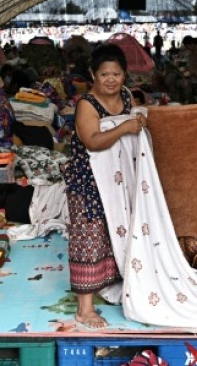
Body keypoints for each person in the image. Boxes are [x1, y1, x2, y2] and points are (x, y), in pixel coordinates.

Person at [64, 44, 146, 329]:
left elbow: (134, 121)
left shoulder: (125, 96)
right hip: (87, 181)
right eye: (104, 74)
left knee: (117, 229)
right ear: (93, 75)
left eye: (117, 73)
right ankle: (84, 309)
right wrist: (124, 128)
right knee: (89, 235)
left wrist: (138, 121)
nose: (111, 80)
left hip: (117, 177)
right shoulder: (86, 104)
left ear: (124, 75)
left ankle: (111, 284)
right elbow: (92, 141)